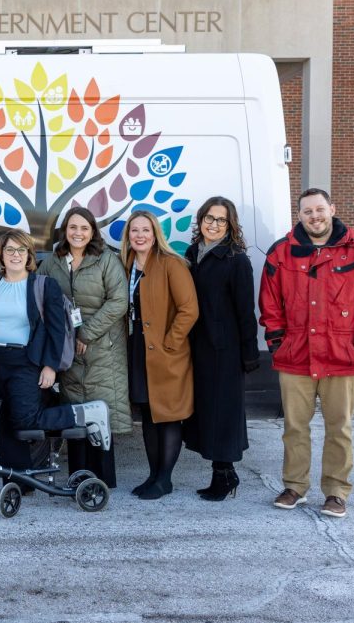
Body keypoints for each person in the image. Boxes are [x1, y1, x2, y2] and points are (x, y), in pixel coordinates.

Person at [259, 188, 354, 519]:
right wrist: (277, 342)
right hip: (296, 356)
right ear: (298, 215)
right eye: (307, 211)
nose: (314, 216)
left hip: (343, 356)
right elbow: (270, 304)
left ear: (332, 208)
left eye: (319, 209)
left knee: (339, 427)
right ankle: (295, 487)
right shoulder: (281, 254)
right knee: (294, 426)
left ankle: (336, 491)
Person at [0, 229, 109, 472]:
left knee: (26, 419)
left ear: (28, 254)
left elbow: (57, 330)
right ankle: (17, 481)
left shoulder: (44, 285)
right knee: (5, 422)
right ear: (1, 255)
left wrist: (50, 366)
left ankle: (86, 413)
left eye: (21, 250)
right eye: (9, 250)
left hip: (27, 361)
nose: (15, 255)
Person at [37, 206, 129, 490]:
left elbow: (118, 301)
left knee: (100, 410)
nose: (78, 233)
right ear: (65, 230)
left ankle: (102, 482)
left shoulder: (106, 260)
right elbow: (39, 297)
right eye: (73, 227)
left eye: (84, 228)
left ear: (92, 232)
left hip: (103, 348)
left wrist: (86, 334)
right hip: (67, 349)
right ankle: (78, 478)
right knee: (75, 411)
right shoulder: (53, 262)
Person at [182, 197, 259, 501]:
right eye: (209, 218)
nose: (213, 225)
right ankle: (223, 473)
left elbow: (244, 311)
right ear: (200, 220)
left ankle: (224, 476)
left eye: (221, 220)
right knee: (207, 412)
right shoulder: (192, 254)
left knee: (223, 413)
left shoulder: (236, 260)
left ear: (230, 225)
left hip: (226, 350)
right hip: (198, 347)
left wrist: (249, 353)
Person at [121, 210, 198, 500]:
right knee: (148, 415)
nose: (140, 235)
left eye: (146, 230)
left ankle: (165, 479)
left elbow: (189, 309)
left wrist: (170, 342)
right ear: (128, 236)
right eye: (135, 230)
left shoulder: (171, 264)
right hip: (137, 349)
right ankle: (153, 475)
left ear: (155, 235)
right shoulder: (127, 264)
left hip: (165, 351)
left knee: (167, 416)